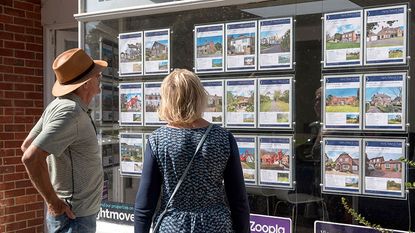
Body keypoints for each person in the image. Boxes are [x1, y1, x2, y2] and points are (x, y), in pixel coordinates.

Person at [134, 69, 250, 233]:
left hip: (173, 226)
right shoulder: (223, 138)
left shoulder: (158, 140)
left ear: (167, 99)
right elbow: (238, 200)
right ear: (199, 96)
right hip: (216, 225)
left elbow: (145, 204)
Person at [21, 48, 107, 233]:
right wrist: (53, 202)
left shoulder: (59, 106)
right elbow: (30, 156)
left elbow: (27, 144)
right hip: (74, 218)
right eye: (95, 75)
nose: (99, 76)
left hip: (74, 215)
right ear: (84, 84)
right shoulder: (70, 112)